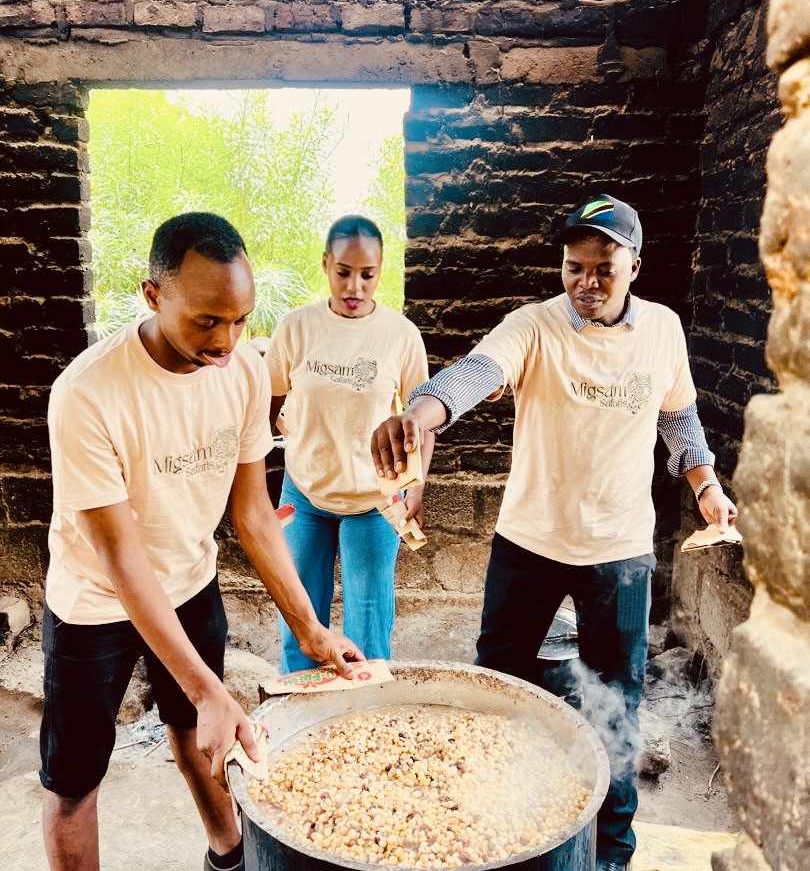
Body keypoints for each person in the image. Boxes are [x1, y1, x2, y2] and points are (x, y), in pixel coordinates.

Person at [369, 194, 737, 871]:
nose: (586, 282)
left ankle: (610, 851)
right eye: (574, 267)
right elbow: (477, 372)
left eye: (603, 268)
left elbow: (679, 419)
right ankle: (488, 823)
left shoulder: (662, 331)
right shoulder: (534, 326)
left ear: (634, 266)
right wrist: (422, 413)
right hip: (529, 544)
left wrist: (706, 486)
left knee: (616, 706)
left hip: (620, 552)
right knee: (495, 688)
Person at [41, 212, 362, 871]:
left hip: (190, 581)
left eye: (240, 320)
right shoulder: (87, 395)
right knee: (74, 780)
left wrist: (310, 629)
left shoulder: (243, 371)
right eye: (207, 321)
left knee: (199, 735)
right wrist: (210, 689)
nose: (226, 341)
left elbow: (253, 513)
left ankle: (229, 856)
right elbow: (121, 556)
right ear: (152, 295)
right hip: (95, 603)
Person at [263, 214, 434, 674]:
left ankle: (364, 709)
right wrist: (282, 426)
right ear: (325, 265)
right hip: (304, 495)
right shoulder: (296, 328)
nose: (354, 287)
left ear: (381, 271)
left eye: (367, 275)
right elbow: (268, 400)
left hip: (375, 500)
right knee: (300, 626)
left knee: (369, 633)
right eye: (343, 272)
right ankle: (300, 707)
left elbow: (423, 420)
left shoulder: (400, 335)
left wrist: (416, 486)